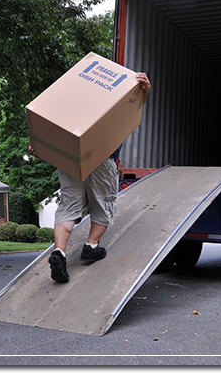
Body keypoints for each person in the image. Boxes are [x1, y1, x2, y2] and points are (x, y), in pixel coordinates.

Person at [29, 72, 151, 283]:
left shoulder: (68, 106)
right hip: (102, 158)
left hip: (68, 157)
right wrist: (144, 91)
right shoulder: (107, 109)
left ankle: (59, 252)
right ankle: (91, 246)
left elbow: (47, 130)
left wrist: (41, 147)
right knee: (104, 205)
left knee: (68, 206)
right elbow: (131, 108)